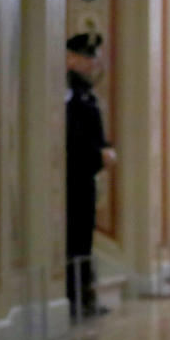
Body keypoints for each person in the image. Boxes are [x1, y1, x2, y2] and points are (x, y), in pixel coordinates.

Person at [65, 31, 116, 320]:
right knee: (73, 239)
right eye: (86, 57)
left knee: (83, 238)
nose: (91, 63)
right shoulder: (67, 91)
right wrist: (98, 154)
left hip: (85, 178)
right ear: (70, 58)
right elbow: (73, 137)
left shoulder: (86, 92)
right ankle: (74, 297)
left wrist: (104, 149)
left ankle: (84, 296)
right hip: (71, 177)